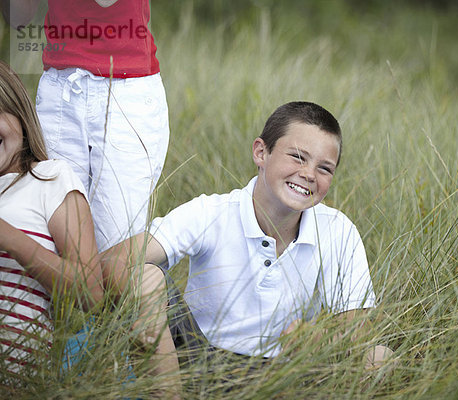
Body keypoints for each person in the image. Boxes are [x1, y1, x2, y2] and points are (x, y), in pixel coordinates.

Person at [102, 102, 392, 372]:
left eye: (324, 168)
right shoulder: (211, 213)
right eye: (297, 157)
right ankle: (169, 392)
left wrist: (316, 338)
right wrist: (148, 309)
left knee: (380, 357)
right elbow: (114, 260)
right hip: (198, 359)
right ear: (261, 153)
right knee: (144, 276)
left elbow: (357, 328)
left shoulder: (337, 230)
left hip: (288, 370)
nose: (308, 174)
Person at [1, 0, 170, 252]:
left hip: (124, 89)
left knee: (115, 253)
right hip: (60, 91)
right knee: (53, 239)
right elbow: (18, 18)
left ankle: (160, 286)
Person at [0, 61, 103, 380]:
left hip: (19, 378)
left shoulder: (50, 178)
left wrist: (9, 237)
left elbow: (90, 294)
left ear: (18, 112)